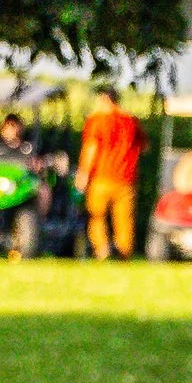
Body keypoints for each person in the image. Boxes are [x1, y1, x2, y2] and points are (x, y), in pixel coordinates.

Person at [78, 90, 143, 262]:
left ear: (105, 100)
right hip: (126, 179)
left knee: (96, 216)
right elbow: (143, 147)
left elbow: (91, 147)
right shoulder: (131, 121)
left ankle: (102, 249)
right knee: (124, 220)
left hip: (101, 177)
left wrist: (83, 173)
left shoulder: (97, 121)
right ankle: (124, 253)